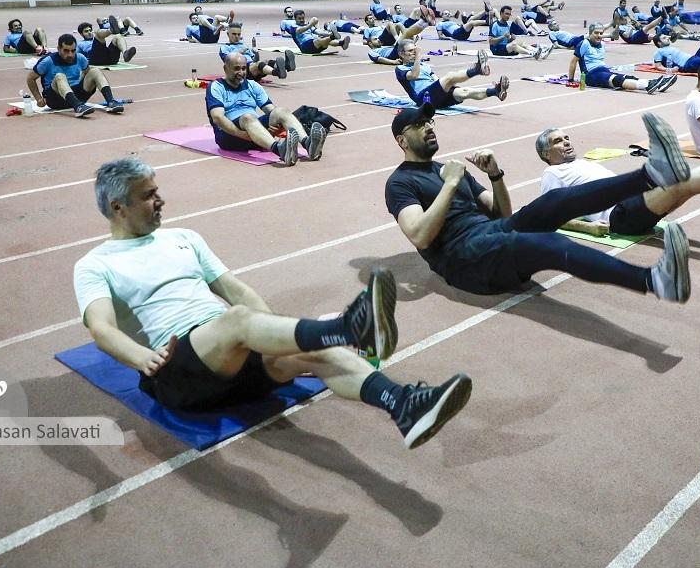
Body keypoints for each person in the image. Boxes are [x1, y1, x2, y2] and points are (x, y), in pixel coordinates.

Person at [74, 157, 471, 450]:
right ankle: (350, 327)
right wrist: (141, 358)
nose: (160, 200)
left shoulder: (185, 237)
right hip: (176, 371)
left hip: (230, 356)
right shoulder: (95, 264)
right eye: (148, 195)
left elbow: (236, 290)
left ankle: (403, 404)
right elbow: (102, 328)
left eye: (157, 191)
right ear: (118, 208)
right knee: (240, 320)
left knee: (318, 353)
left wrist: (274, 337)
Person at [384, 104, 693, 302]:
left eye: (429, 121)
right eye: (419, 125)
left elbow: (501, 213)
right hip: (463, 259)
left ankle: (652, 174)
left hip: (490, 234)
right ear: (402, 141)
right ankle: (653, 281)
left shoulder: (449, 168)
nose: (429, 127)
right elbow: (420, 235)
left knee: (555, 201)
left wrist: (495, 175)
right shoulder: (400, 183)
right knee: (548, 243)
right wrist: (451, 185)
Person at [535, 116, 700, 240]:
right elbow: (548, 216)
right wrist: (589, 229)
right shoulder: (553, 173)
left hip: (631, 204)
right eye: (558, 141)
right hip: (620, 215)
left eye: (566, 138)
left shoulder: (581, 163)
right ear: (546, 154)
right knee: (683, 181)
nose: (566, 142)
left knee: (689, 187)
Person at [205, 53, 325, 165]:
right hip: (229, 136)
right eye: (236, 68)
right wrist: (242, 134)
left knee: (281, 111)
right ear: (225, 69)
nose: (241, 72)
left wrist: (277, 127)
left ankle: (308, 144)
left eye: (243, 68)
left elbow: (272, 111)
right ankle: (280, 150)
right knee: (247, 117)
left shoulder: (253, 85)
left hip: (255, 133)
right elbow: (218, 118)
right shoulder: (216, 86)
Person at [26, 33, 124, 117]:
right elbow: (30, 78)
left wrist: (84, 83)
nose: (70, 55)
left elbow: (87, 75)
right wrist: (38, 98)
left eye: (73, 51)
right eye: (66, 51)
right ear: (58, 49)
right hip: (56, 98)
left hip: (78, 95)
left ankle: (111, 102)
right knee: (60, 76)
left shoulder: (80, 58)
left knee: (95, 71)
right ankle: (78, 107)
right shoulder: (48, 61)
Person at [394, 40, 509, 108]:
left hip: (436, 96)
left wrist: (445, 87)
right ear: (401, 54)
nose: (414, 54)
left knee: (464, 92)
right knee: (449, 77)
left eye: (415, 51)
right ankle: (477, 70)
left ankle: (495, 92)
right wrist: (419, 56)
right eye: (410, 51)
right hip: (423, 99)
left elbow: (435, 79)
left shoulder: (425, 66)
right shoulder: (400, 69)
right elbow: (414, 75)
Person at [571, 25, 669, 93]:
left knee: (628, 77)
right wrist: (570, 79)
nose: (599, 35)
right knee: (617, 80)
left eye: (601, 33)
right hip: (591, 75)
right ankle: (647, 85)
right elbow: (573, 61)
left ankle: (655, 83)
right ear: (589, 33)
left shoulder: (601, 43)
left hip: (604, 70)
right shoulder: (584, 43)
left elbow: (611, 36)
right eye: (596, 33)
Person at [220, 24, 291, 80]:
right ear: (228, 34)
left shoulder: (244, 45)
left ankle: (286, 66)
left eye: (238, 34)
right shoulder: (225, 48)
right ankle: (277, 72)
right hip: (240, 71)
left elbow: (255, 60)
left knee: (267, 61)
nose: (236, 36)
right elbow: (228, 61)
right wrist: (240, 52)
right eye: (234, 34)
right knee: (258, 64)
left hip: (251, 68)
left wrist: (256, 53)